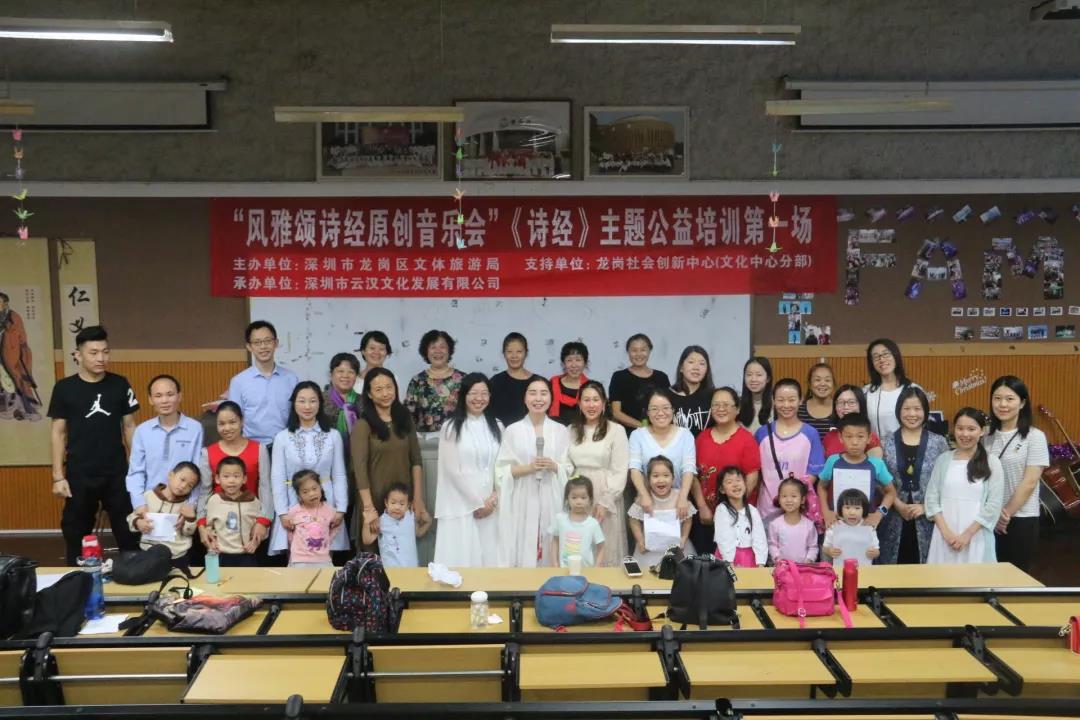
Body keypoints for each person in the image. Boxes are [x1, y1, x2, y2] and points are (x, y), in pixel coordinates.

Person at [48, 325, 141, 565]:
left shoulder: (120, 384)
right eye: (94, 352)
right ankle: (77, 580)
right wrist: (58, 477)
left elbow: (130, 427)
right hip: (80, 473)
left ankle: (134, 577)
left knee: (129, 531)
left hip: (117, 471)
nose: (101, 358)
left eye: (105, 352)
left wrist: (137, 469)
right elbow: (58, 432)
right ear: (78, 355)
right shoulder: (64, 388)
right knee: (75, 532)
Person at [495, 376, 572, 567]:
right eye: (533, 393)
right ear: (525, 398)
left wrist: (554, 466)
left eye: (544, 393)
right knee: (523, 542)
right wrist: (528, 468)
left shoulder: (560, 430)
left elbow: (569, 468)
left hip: (551, 494)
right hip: (522, 495)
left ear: (551, 398)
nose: (538, 398)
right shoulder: (512, 430)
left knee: (551, 542)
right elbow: (501, 471)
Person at [269, 381, 349, 558]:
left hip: (326, 501)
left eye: (312, 401)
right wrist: (282, 512)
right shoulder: (282, 437)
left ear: (320, 403)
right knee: (297, 555)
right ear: (294, 404)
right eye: (302, 401)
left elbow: (339, 475)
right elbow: (277, 478)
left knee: (325, 553)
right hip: (293, 501)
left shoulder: (333, 436)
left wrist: (341, 508)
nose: (307, 406)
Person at [351, 368, 428, 543]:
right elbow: (360, 470)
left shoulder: (405, 419)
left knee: (402, 550)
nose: (385, 393)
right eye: (378, 389)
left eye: (389, 387)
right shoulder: (363, 425)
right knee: (375, 552)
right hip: (374, 500)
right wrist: (368, 508)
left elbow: (416, 461)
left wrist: (417, 498)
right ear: (369, 394)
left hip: (402, 500)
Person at [434, 373, 502, 567]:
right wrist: (476, 504)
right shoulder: (451, 427)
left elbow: (503, 466)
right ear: (463, 395)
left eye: (484, 393)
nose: (479, 398)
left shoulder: (497, 426)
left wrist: (493, 499)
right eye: (473, 393)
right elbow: (452, 470)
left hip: (491, 506)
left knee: (490, 561)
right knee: (462, 562)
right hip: (461, 505)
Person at [985, 376, 1049, 572]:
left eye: (1009, 399)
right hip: (987, 518)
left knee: (1015, 577)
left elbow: (1030, 482)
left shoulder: (1035, 436)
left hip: (1021, 518)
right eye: (997, 398)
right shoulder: (985, 437)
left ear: (1022, 403)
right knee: (988, 576)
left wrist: (1004, 514)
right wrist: (993, 514)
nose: (1002, 404)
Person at [925, 408, 1005, 564]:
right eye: (960, 428)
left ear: (982, 431)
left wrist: (967, 535)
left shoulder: (992, 462)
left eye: (971, 429)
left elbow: (993, 504)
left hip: (976, 537)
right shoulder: (943, 459)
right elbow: (931, 498)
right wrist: (946, 534)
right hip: (943, 537)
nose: (965, 434)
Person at [880, 386, 948, 564]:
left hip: (928, 520)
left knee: (926, 572)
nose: (912, 414)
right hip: (893, 519)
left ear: (925, 411)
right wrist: (898, 504)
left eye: (917, 409)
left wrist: (926, 507)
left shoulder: (939, 443)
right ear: (899, 411)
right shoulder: (885, 443)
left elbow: (946, 482)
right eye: (907, 409)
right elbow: (879, 481)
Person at [195, 401, 273, 554]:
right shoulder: (208, 452)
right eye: (221, 424)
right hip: (220, 526)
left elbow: (265, 488)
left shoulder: (259, 449)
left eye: (232, 422)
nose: (227, 428)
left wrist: (263, 521)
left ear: (242, 421)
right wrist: (202, 525)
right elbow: (205, 492)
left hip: (250, 522)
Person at [567, 381, 629, 566]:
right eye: (586, 400)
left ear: (603, 403)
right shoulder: (571, 430)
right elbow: (566, 464)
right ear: (579, 404)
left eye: (596, 399)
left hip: (605, 493)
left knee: (605, 547)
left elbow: (620, 469)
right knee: (578, 547)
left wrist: (606, 501)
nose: (591, 405)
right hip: (577, 493)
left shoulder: (616, 430)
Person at [693, 386, 761, 554]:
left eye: (726, 405)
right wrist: (702, 506)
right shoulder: (701, 438)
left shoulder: (747, 440)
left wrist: (732, 509)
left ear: (737, 409)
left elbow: (752, 478)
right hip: (705, 516)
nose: (720, 409)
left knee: (734, 563)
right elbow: (693, 475)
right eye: (716, 405)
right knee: (705, 562)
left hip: (737, 518)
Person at [753, 378, 826, 532]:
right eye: (781, 400)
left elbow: (813, 472)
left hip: (798, 511)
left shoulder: (810, 434)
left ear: (800, 400)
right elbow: (755, 472)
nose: (786, 405)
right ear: (773, 400)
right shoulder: (761, 433)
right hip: (766, 509)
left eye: (791, 400)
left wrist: (792, 499)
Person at [126, 374, 203, 512]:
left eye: (170, 394)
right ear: (150, 400)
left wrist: (191, 505)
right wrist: (139, 504)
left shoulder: (195, 428)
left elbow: (198, 470)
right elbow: (136, 472)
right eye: (158, 396)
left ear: (179, 396)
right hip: (149, 503)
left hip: (182, 504)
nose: (165, 400)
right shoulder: (142, 431)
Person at [817, 413, 897, 530]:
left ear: (869, 438)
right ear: (840, 438)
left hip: (866, 525)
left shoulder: (876, 464)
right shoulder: (833, 461)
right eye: (849, 436)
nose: (855, 442)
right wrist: (826, 512)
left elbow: (891, 492)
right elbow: (821, 486)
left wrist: (879, 514)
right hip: (836, 524)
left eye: (860, 436)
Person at [227, 321, 299, 446]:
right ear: (249, 347)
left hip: (287, 445)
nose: (263, 347)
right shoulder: (238, 382)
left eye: (267, 341)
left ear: (276, 343)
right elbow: (233, 420)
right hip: (252, 447)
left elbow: (298, 415)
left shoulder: (291, 379)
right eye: (257, 342)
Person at [628, 388, 696, 520]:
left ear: (673, 410)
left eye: (665, 408)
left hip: (678, 502)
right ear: (647, 412)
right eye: (654, 409)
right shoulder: (637, 435)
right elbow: (635, 469)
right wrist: (644, 495)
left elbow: (688, 469)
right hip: (648, 502)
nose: (660, 413)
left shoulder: (685, 435)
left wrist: (683, 498)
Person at [323, 352, 363, 552]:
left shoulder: (363, 401)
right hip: (328, 469)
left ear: (356, 376)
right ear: (331, 374)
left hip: (356, 466)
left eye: (350, 371)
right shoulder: (320, 400)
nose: (345, 375)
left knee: (355, 512)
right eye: (340, 371)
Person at [127, 461, 200, 567]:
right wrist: (138, 522)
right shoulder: (148, 496)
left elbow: (188, 532)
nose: (184, 486)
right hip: (149, 552)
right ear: (171, 475)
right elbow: (131, 518)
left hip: (177, 555)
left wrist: (191, 519)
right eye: (182, 479)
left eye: (190, 485)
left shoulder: (187, 506)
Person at [627, 456, 695, 568]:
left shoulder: (679, 497)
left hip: (676, 549)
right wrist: (640, 539)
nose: (661, 480)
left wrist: (684, 538)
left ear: (673, 478)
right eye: (655, 476)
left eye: (666, 475)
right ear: (648, 479)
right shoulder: (644, 499)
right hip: (649, 551)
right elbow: (633, 519)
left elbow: (688, 519)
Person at [201, 456, 264, 566]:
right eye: (226, 476)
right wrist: (212, 542)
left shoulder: (253, 501)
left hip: (246, 555)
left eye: (236, 476)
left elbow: (260, 528)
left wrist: (255, 543)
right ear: (217, 479)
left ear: (244, 479)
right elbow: (209, 526)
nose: (231, 481)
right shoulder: (214, 500)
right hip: (221, 554)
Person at [405, 329, 465, 433]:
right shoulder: (417, 381)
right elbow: (408, 415)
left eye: (442, 347)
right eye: (433, 347)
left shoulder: (462, 379)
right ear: (426, 351)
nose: (438, 351)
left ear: (449, 350)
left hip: (457, 438)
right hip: (425, 439)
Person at [608, 333, 670, 433]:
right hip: (628, 434)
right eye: (634, 350)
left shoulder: (661, 378)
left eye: (643, 350)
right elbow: (616, 413)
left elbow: (668, 408)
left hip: (659, 433)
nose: (639, 354)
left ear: (649, 351)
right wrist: (644, 427)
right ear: (628, 352)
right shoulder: (619, 377)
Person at [363, 481, 431, 567]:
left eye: (402, 504)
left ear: (408, 505)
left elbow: (418, 533)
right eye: (393, 503)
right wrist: (366, 523)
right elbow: (367, 540)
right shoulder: (381, 521)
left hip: (411, 568)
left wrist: (428, 522)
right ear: (386, 503)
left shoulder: (410, 517)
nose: (397, 507)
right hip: (390, 570)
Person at [282, 469, 341, 568]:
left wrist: (327, 540)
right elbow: (289, 531)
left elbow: (336, 527)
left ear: (320, 487)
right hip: (299, 560)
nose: (311, 494)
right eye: (305, 492)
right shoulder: (294, 511)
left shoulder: (330, 511)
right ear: (299, 495)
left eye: (314, 488)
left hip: (323, 559)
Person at [864, 338, 919, 438]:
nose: (882, 359)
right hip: (875, 447)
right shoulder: (866, 392)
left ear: (895, 356)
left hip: (906, 446)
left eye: (886, 354)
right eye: (876, 357)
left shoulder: (913, 389)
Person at [713, 466, 767, 568]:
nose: (735, 484)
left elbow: (760, 538)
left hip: (749, 558)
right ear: (722, 489)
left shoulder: (753, 510)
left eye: (738, 480)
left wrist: (761, 563)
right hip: (727, 557)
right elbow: (724, 537)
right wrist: (729, 561)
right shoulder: (722, 510)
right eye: (729, 482)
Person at [0, 290, 41, 421]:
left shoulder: (13, 317)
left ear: (5, 303)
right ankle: (6, 409)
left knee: (18, 380)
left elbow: (20, 337)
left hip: (12, 353)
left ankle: (26, 410)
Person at [549, 476, 606, 568]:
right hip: (564, 570)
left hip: (587, 571)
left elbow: (601, 547)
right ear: (567, 499)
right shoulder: (560, 519)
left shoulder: (593, 523)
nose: (578, 502)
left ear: (590, 499)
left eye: (583, 498)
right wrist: (554, 563)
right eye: (574, 497)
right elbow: (555, 540)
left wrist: (597, 566)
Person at [489, 332, 542, 427]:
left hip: (533, 433)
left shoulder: (539, 382)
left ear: (526, 353)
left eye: (519, 351)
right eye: (509, 352)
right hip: (502, 434)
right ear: (504, 354)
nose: (514, 356)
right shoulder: (495, 381)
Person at [822, 488, 881, 568]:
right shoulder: (834, 527)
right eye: (847, 507)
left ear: (864, 510)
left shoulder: (869, 528)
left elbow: (877, 551)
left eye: (857, 508)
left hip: (864, 570)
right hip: (840, 569)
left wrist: (875, 553)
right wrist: (829, 551)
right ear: (840, 509)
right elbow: (825, 548)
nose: (852, 512)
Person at [822, 385, 884, 459]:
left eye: (851, 402)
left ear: (861, 405)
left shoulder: (870, 437)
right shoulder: (829, 436)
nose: (846, 407)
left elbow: (875, 465)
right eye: (840, 402)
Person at [767, 476, 819, 564]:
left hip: (803, 568)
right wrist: (777, 559)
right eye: (784, 496)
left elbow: (813, 547)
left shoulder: (809, 525)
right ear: (779, 499)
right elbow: (772, 545)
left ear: (802, 499)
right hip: (783, 568)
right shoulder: (775, 524)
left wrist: (809, 560)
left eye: (793, 496)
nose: (789, 500)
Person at [670, 345, 714, 436]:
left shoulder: (714, 396)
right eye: (691, 362)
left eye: (702, 364)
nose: (696, 368)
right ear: (681, 367)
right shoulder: (666, 396)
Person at [549, 341, 589, 425]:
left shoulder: (590, 388)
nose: (574, 365)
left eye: (578, 360)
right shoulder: (552, 383)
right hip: (554, 431)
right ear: (563, 363)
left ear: (585, 363)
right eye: (569, 360)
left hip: (582, 431)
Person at [798, 363, 835, 441]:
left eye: (827, 380)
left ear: (833, 383)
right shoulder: (799, 409)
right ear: (809, 384)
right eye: (817, 380)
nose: (823, 384)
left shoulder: (840, 409)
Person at [737, 357, 773, 433]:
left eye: (759, 375)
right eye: (749, 375)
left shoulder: (777, 404)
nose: (753, 379)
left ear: (768, 378)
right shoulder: (737, 404)